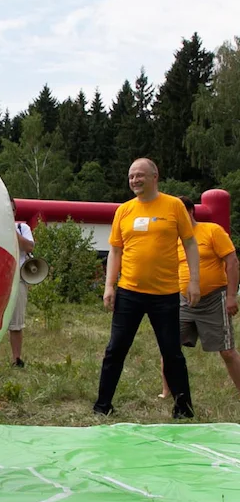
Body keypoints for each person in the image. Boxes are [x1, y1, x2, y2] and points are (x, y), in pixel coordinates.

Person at [94, 158, 200, 419]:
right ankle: (102, 405)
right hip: (129, 292)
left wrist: (194, 281)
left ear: (155, 177)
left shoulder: (174, 205)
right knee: (115, 349)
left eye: (140, 175)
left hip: (165, 294)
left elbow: (190, 244)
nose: (134, 180)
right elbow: (115, 250)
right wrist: (110, 286)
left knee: (171, 352)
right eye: (131, 176)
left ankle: (183, 408)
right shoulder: (124, 210)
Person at [158, 196, 240, 397]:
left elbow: (232, 262)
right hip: (183, 300)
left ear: (191, 212)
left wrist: (231, 296)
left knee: (227, 351)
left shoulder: (211, 230)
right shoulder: (172, 239)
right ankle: (167, 391)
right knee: (169, 346)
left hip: (214, 298)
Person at [8, 197, 34, 367]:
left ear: (15, 211)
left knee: (16, 323)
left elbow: (29, 247)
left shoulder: (22, 227)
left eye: (10, 210)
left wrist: (12, 231)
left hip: (18, 279)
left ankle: (16, 359)